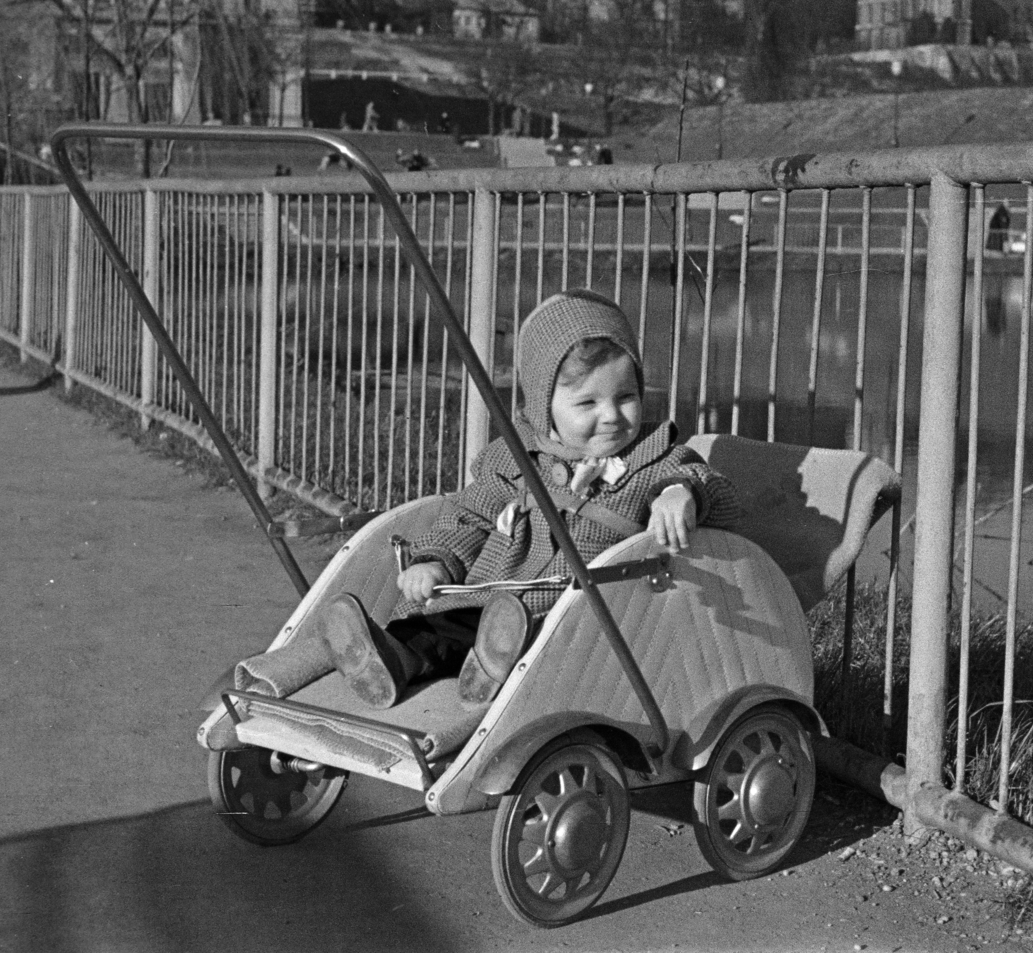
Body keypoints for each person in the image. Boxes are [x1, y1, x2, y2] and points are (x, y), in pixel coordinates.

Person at [304, 289, 743, 709]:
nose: (611, 416)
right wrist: (435, 560)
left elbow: (715, 490)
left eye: (626, 397)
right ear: (543, 406)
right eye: (587, 402)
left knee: (502, 632)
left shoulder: (655, 459)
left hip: (576, 621)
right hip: (486, 597)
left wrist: (679, 492)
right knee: (432, 626)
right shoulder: (519, 460)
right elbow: (468, 516)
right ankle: (394, 660)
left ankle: (484, 662)